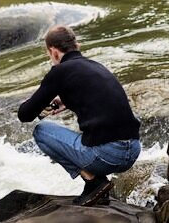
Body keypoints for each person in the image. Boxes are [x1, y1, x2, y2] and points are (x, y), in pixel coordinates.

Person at [17, 25, 141, 206]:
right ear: (77, 46)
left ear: (54, 52)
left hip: (108, 156)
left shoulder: (59, 72)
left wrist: (34, 102)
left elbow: (25, 115)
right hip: (133, 150)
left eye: (49, 55)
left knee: (42, 131)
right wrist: (66, 101)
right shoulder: (96, 66)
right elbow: (100, 99)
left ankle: (93, 182)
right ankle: (99, 186)